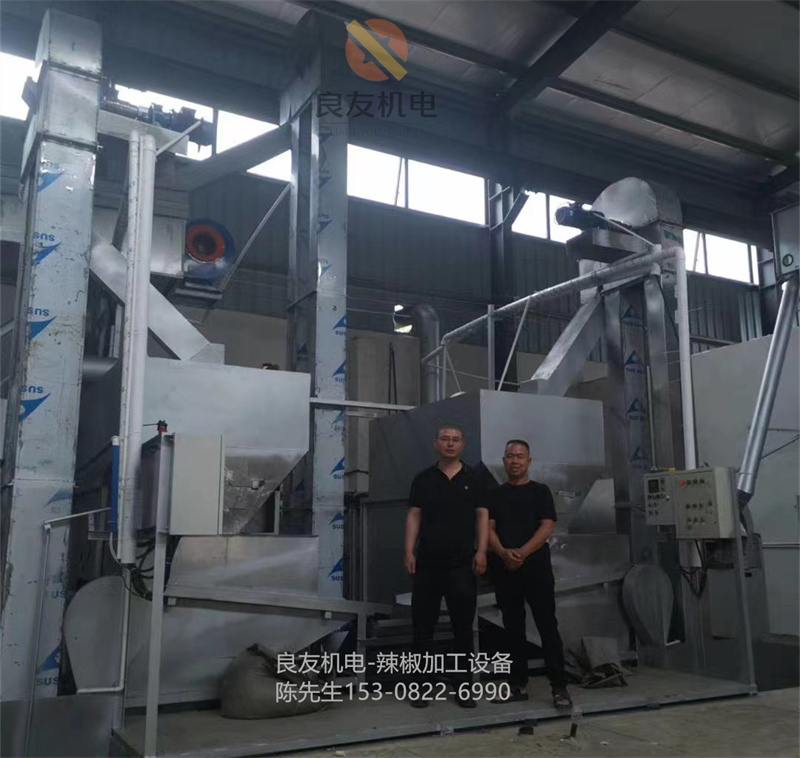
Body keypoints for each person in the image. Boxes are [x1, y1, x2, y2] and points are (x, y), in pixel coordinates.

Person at [404, 425, 489, 708]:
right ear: (436, 444)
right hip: (427, 564)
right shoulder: (423, 479)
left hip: (462, 564)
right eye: (445, 439)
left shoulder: (475, 479)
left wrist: (481, 551)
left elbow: (482, 516)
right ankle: (420, 687)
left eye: (455, 440)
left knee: (462, 629)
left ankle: (463, 687)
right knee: (422, 627)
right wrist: (409, 551)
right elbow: (414, 515)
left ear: (463, 445)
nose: (450, 444)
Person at [488, 439, 572, 709]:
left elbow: (547, 526)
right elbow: (488, 528)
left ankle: (559, 688)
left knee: (547, 626)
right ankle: (518, 685)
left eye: (520, 456)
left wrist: (522, 553)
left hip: (536, 569)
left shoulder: (540, 491)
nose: (515, 461)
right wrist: (503, 553)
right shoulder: (495, 494)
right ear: (504, 461)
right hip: (505, 569)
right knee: (513, 629)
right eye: (510, 456)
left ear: (529, 461)